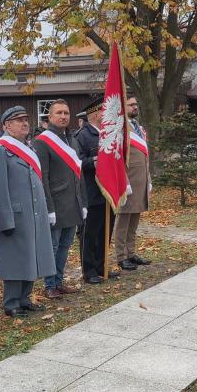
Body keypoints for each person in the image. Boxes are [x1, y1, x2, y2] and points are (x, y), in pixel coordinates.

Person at [0, 106, 55, 317]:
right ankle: (11, 302)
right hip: (16, 214)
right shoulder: (0, 150)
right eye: (19, 120)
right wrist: (4, 219)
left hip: (34, 212)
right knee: (15, 258)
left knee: (32, 255)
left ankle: (25, 298)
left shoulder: (28, 147)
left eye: (26, 119)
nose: (25, 123)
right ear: (7, 125)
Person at [32, 99, 87, 299]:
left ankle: (58, 281)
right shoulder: (42, 141)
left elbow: (79, 174)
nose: (63, 116)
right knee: (53, 247)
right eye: (59, 113)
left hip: (73, 202)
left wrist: (83, 202)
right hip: (55, 203)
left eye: (66, 113)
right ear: (50, 117)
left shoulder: (72, 139)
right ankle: (49, 285)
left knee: (65, 246)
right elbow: (43, 177)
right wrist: (49, 208)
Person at [76, 98, 120, 284]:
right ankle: (89, 270)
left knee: (105, 232)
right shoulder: (82, 136)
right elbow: (77, 162)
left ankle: (101, 265)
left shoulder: (108, 133)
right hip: (91, 192)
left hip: (108, 192)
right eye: (105, 112)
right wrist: (93, 161)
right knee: (90, 234)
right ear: (95, 114)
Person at [114, 97, 153, 271]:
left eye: (136, 104)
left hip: (141, 181)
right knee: (123, 221)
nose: (135, 107)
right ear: (123, 107)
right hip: (128, 182)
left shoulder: (139, 128)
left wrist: (148, 179)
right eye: (131, 105)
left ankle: (131, 253)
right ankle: (121, 256)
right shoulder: (120, 129)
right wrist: (124, 181)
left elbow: (145, 157)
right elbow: (118, 158)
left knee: (134, 220)